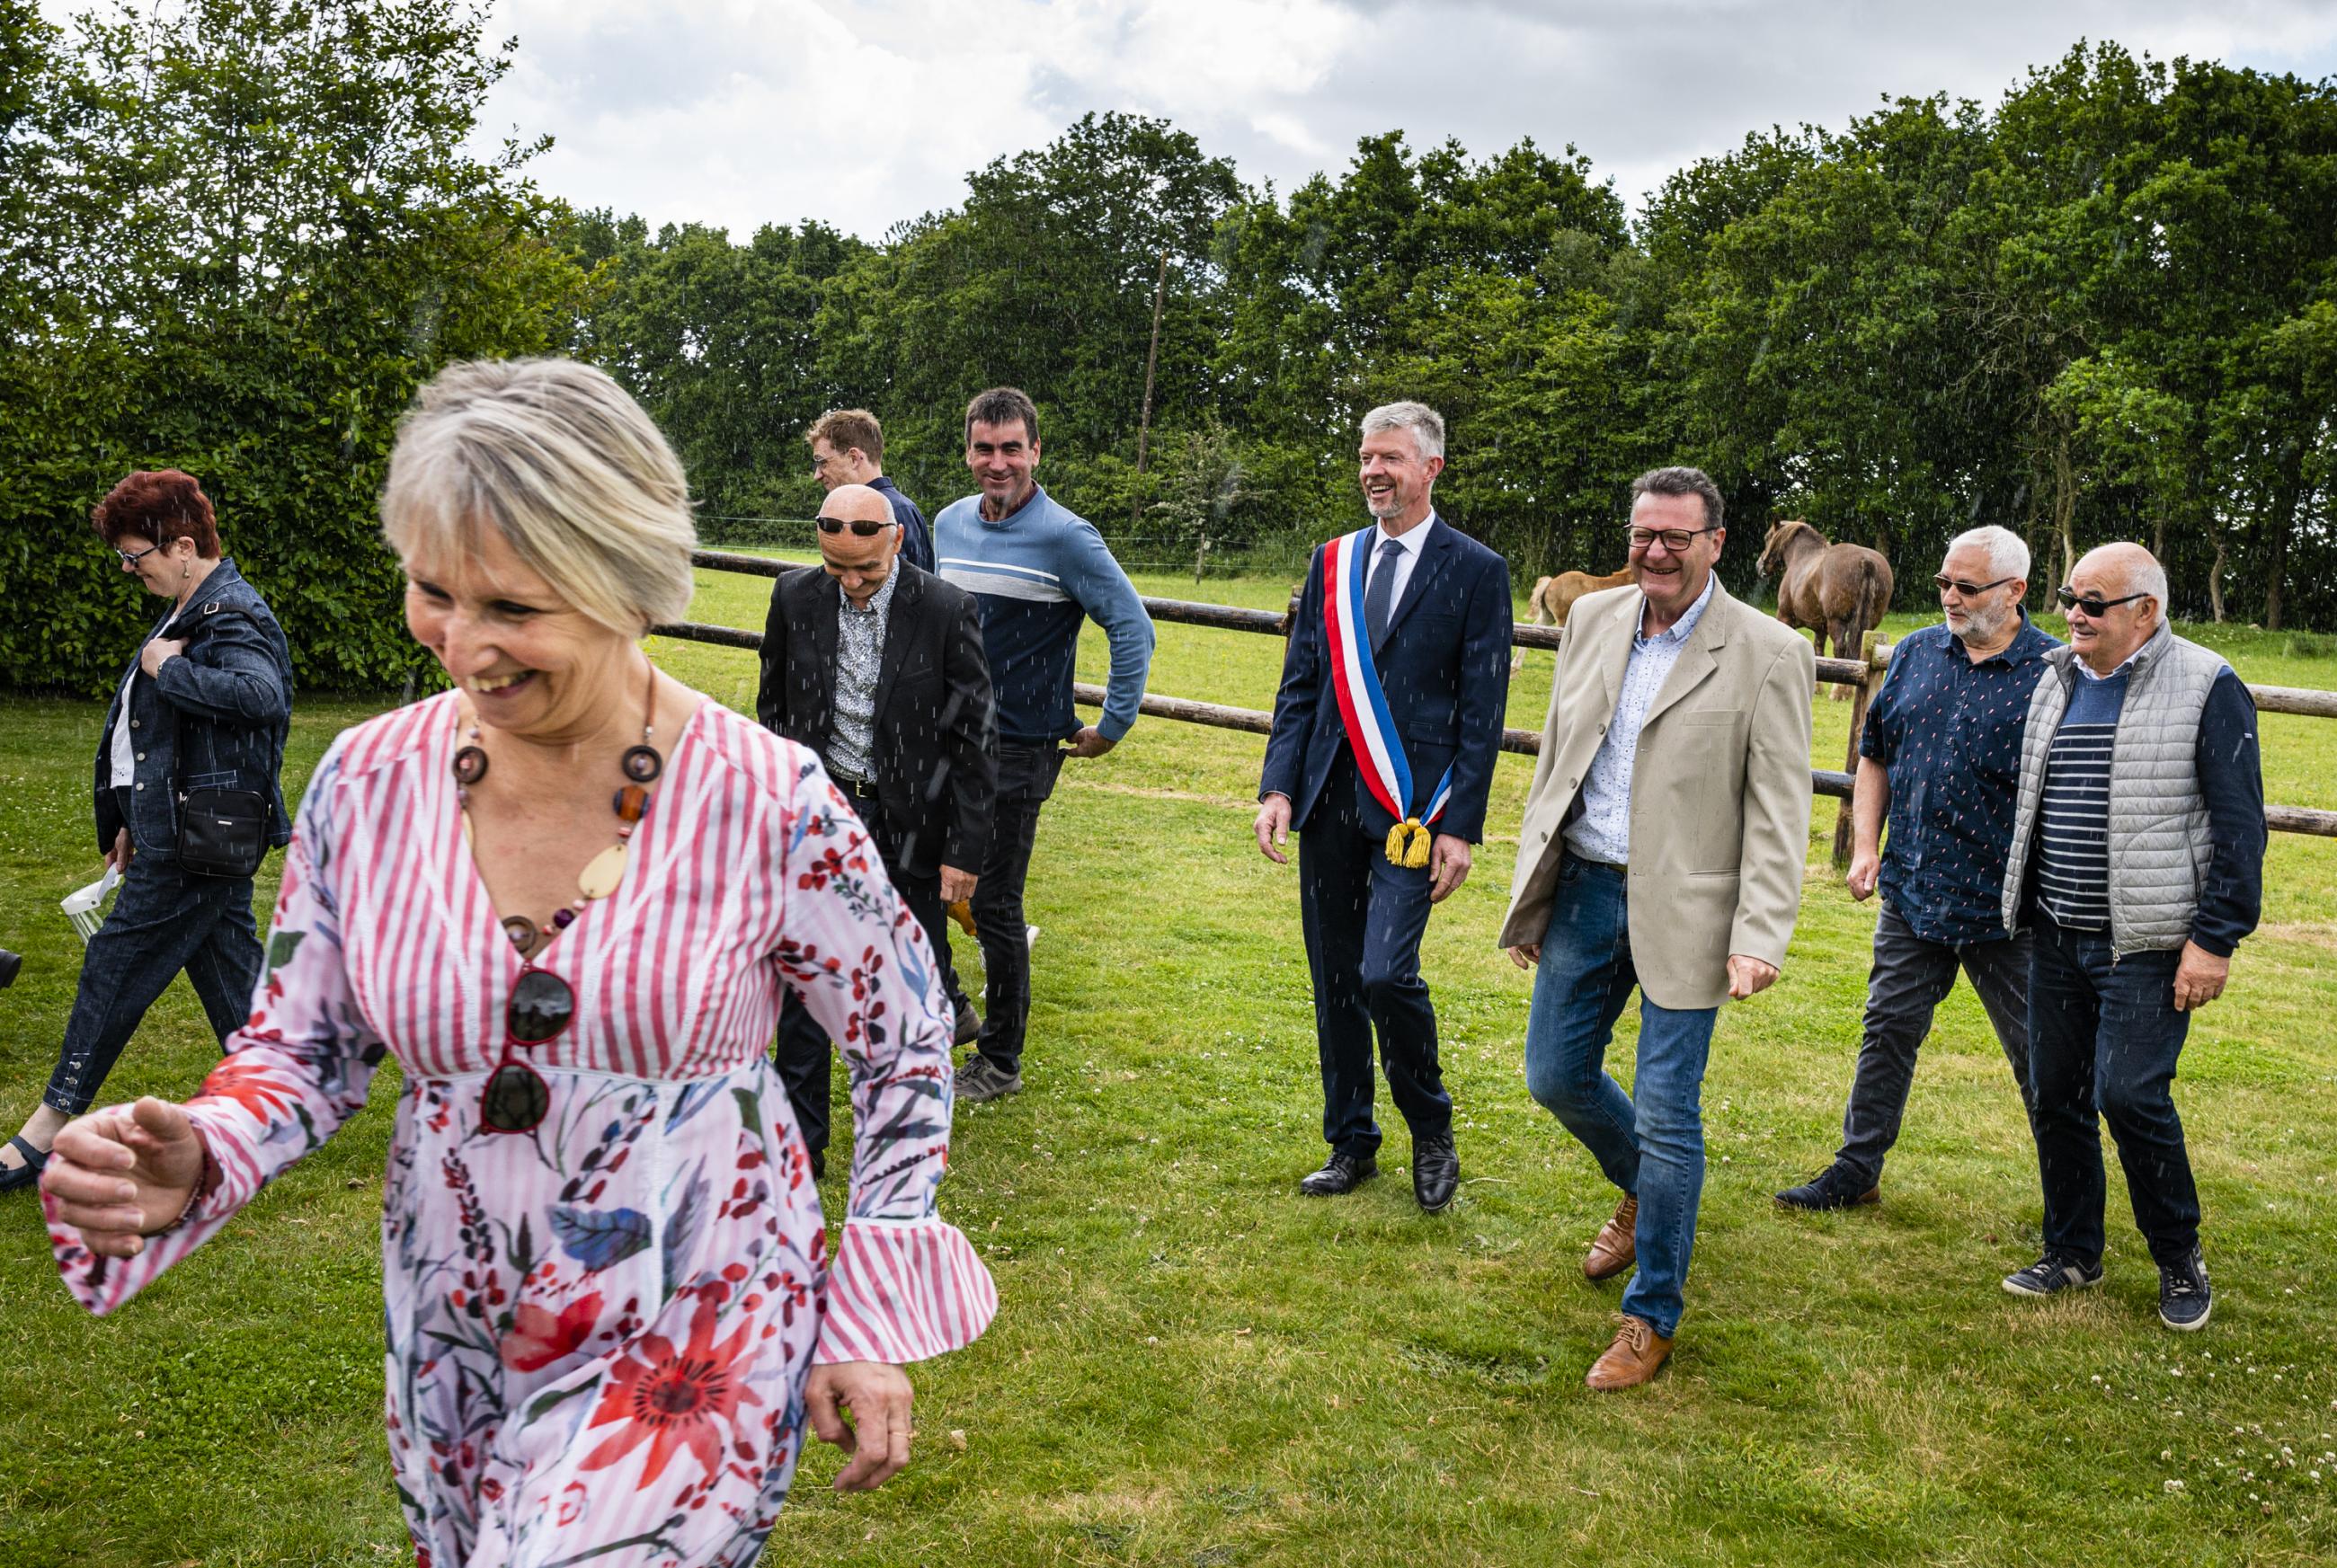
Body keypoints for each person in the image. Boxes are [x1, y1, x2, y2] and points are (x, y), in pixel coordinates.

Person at [39, 359, 995, 1566]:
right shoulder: (368, 781)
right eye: (434, 591)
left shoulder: (764, 796)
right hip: (452, 1333)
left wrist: (870, 1303)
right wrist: (209, 1148)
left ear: (626, 586)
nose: (465, 643)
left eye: (514, 606)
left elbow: (904, 1039)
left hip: (697, 1323)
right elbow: (303, 1044)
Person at [1500, 465, 1814, 1390]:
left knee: (1670, 1109)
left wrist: (1760, 930)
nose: (1657, 551)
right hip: (1586, 889)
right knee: (1553, 1072)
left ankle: (1652, 1314)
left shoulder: (1768, 650)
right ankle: (1646, 1190)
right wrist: (1534, 892)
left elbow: (1779, 809)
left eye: (1677, 536)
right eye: (1644, 533)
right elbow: (1558, 760)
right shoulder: (1593, 617)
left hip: (1693, 909)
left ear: (1716, 542)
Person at [1, 471, 292, 1193]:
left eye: (136, 556)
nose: (130, 570)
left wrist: (171, 669)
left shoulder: (230, 613)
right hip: (192, 831)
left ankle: (44, 1131)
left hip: (197, 841)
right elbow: (162, 740)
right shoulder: (192, 606)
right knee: (229, 973)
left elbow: (261, 697)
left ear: (184, 546)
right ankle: (282, 1106)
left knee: (115, 964)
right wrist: (134, 817)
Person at [1997, 542, 2263, 1332]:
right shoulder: (2057, 678)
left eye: (2093, 603)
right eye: (2069, 598)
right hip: (2056, 934)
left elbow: (2240, 828)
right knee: (2055, 1093)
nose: (2073, 615)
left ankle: (2179, 1255)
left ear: (2146, 611)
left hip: (2147, 941)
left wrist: (2214, 940)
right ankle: (2072, 1250)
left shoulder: (2208, 683)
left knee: (2129, 1094)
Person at [1254, 402, 1510, 1213]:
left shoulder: (1477, 570)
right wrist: (1277, 787)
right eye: (1367, 457)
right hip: (1328, 798)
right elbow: (1300, 688)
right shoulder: (1332, 562)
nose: (1374, 471)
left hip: (1413, 812)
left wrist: (1461, 827)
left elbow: (1484, 713)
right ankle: (1350, 1142)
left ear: (1432, 467)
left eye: (1390, 458)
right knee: (1335, 978)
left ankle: (1431, 1129)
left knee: (1385, 974)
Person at [1776, 525, 2057, 1211]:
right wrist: (1866, 846)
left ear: (2016, 591)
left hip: (2010, 909)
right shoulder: (1915, 653)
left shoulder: (2056, 673)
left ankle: (2071, 1205)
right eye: (1943, 583)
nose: (1949, 597)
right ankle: (1856, 1171)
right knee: (1888, 1030)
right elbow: (1875, 753)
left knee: (2044, 1056)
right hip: (1913, 892)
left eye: (1967, 587)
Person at [758, 481, 996, 1179]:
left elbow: (975, 738)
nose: (852, 583)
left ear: (896, 539)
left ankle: (900, 1138)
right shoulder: (793, 597)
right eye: (836, 568)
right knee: (803, 984)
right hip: (820, 818)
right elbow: (773, 710)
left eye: (866, 568)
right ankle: (801, 1146)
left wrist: (963, 851)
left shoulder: (946, 609)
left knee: (904, 985)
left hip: (911, 824)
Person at [934, 386, 1154, 1103]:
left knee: (996, 902)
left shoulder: (1068, 537)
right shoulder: (947, 524)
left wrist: (1113, 723)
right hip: (946, 740)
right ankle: (950, 1007)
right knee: (917, 875)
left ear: (1035, 450)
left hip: (1019, 748)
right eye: (984, 448)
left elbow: (1133, 627)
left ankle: (999, 1059)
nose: (997, 463)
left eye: (1011, 448)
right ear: (968, 451)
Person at [807, 408, 934, 573]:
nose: (817, 475)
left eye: (822, 463)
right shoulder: (901, 506)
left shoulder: (887, 511)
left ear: (853, 458)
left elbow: (897, 586)